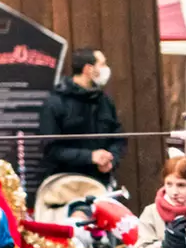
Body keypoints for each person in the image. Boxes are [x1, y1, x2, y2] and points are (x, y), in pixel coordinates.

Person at [38, 48, 125, 185]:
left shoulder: (104, 100)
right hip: (65, 184)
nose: (106, 69)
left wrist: (111, 159)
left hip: (100, 182)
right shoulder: (56, 103)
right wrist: (89, 157)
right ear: (88, 69)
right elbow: (50, 149)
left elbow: (118, 137)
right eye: (102, 64)